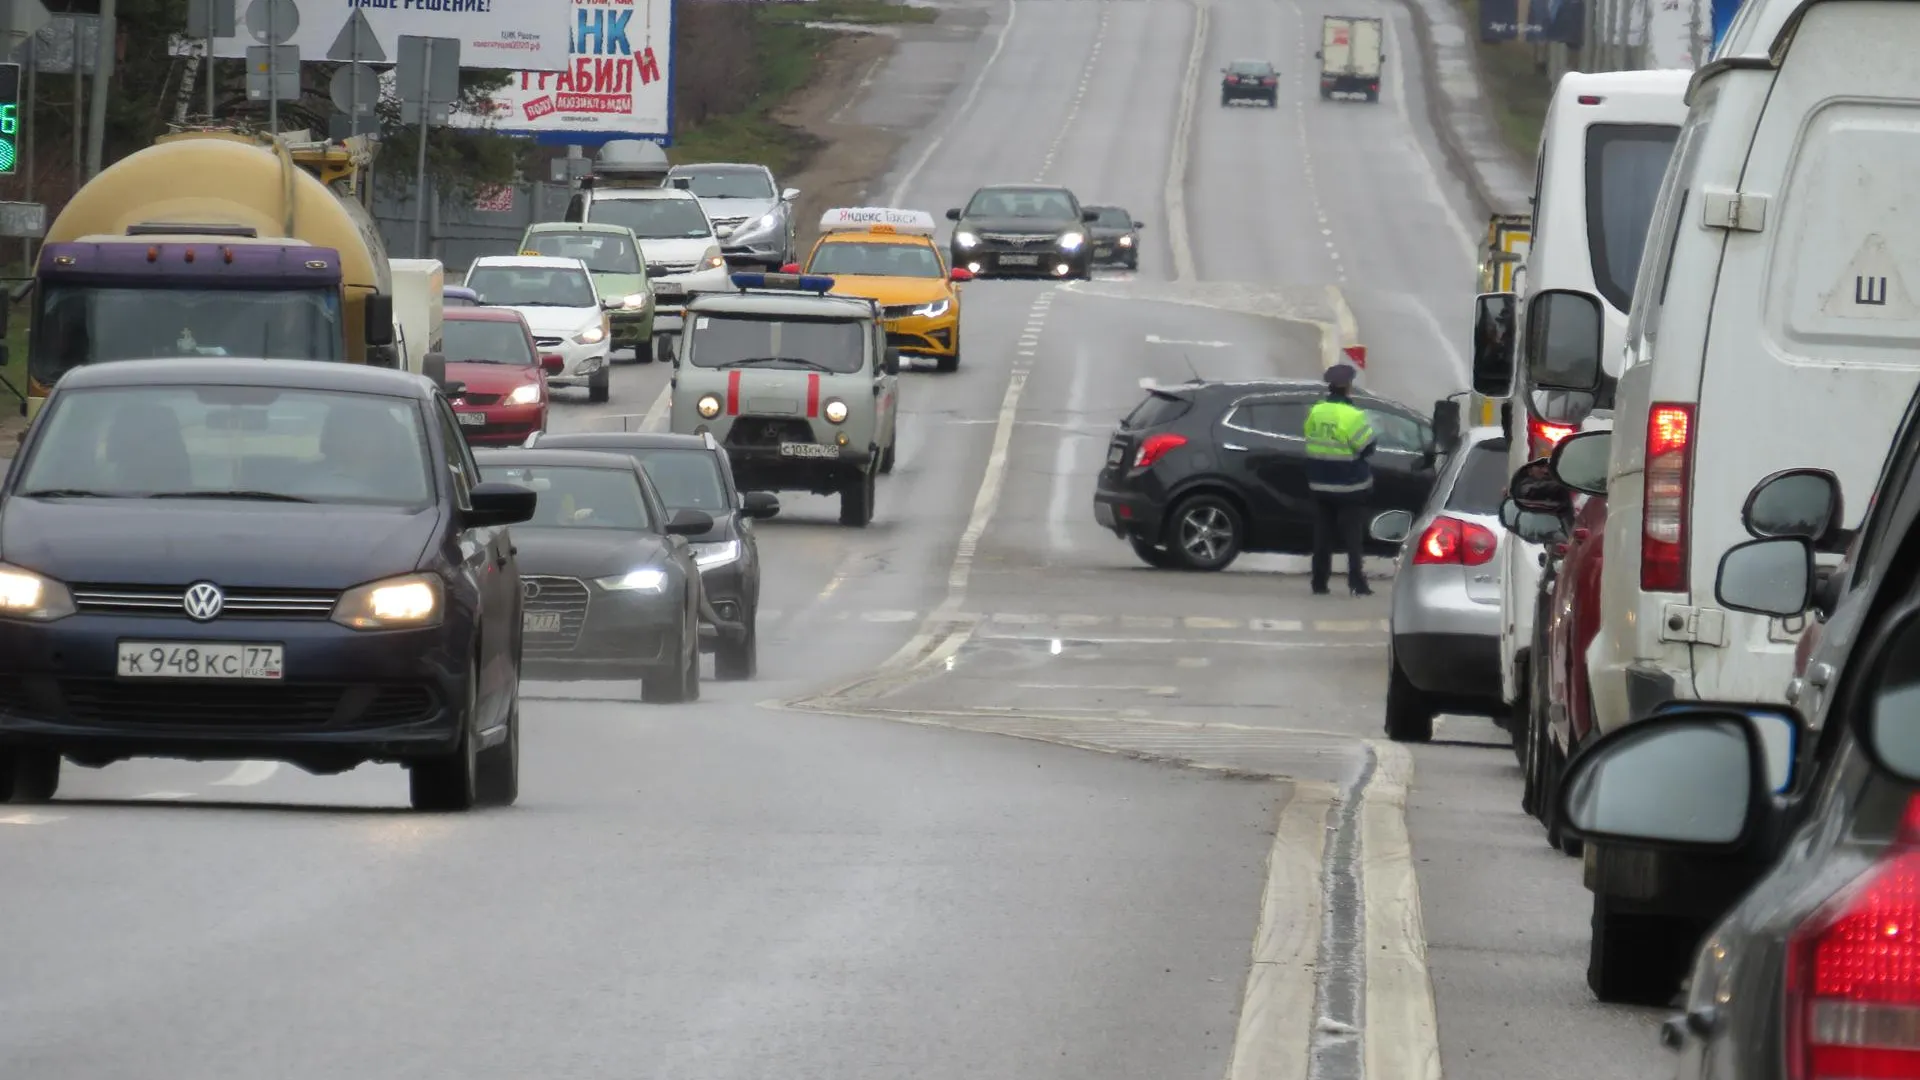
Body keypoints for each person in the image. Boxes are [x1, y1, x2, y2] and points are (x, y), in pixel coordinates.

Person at [1303, 362, 1376, 596]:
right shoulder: (1352, 415)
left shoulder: (1316, 411)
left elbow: (1309, 436)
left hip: (1319, 483)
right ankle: (1357, 582)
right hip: (1349, 486)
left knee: (1322, 536)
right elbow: (1366, 447)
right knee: (1353, 539)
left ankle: (1319, 582)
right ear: (1348, 387)